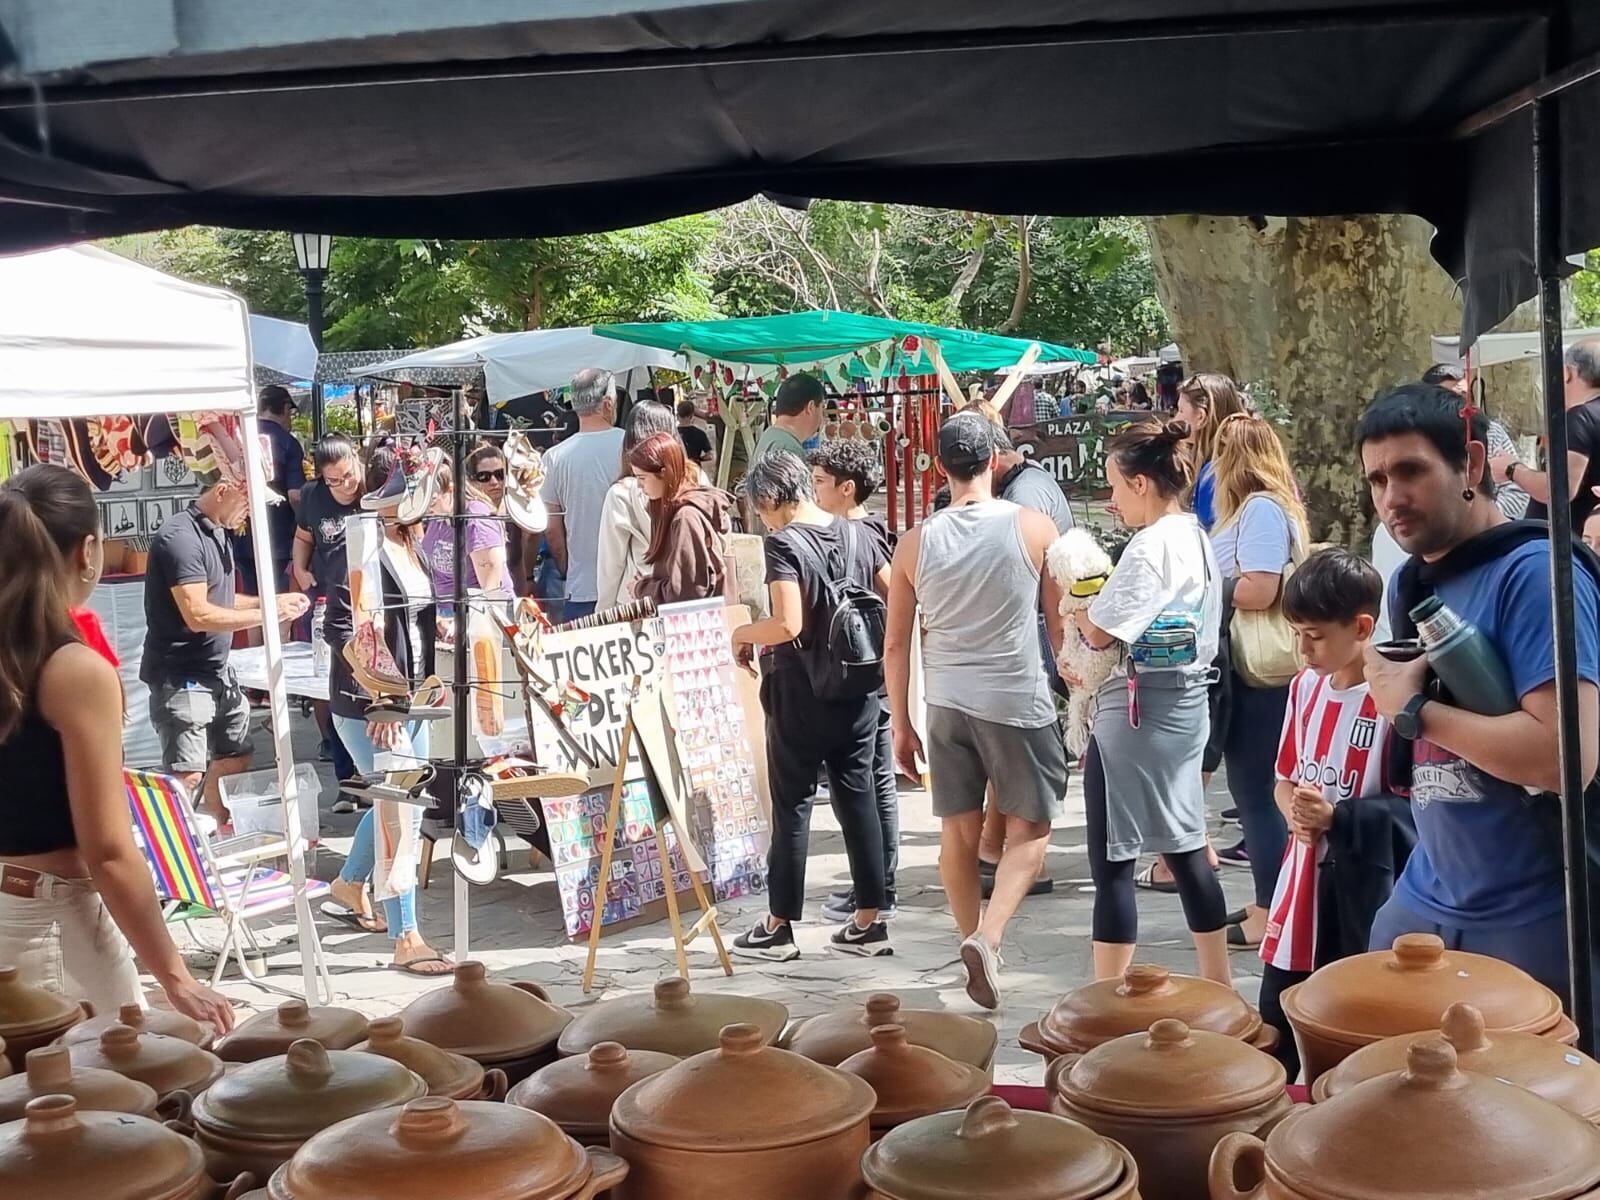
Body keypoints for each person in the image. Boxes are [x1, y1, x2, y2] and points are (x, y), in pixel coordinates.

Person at [1360, 384, 1600, 1025]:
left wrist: (1415, 712)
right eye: (1378, 479)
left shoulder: (1537, 574)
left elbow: (1563, 758)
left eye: (1411, 470)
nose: (1392, 497)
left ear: (1470, 464)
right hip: (1426, 899)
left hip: (1535, 917)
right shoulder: (1414, 581)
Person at [0, 464, 235, 1029]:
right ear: (88, 551)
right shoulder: (73, 671)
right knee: (111, 1103)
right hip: (50, 919)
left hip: (20, 909)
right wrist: (175, 975)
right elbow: (106, 849)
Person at [886, 412, 1068, 1009]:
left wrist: (902, 723)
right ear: (995, 460)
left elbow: (896, 642)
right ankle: (989, 939)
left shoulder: (915, 542)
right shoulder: (1035, 528)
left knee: (957, 833)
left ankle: (970, 936)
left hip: (946, 703)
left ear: (941, 467)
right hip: (1016, 697)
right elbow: (1058, 627)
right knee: (1031, 832)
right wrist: (1081, 686)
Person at [1063, 420, 1230, 986]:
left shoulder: (1151, 545)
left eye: (1113, 485)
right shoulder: (1194, 535)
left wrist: (1079, 611)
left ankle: (1107, 995)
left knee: (1113, 860)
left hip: (1137, 713)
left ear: (1139, 483)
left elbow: (1102, 631)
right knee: (1185, 844)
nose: (1110, 499)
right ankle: (1219, 982)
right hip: (1186, 703)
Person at [730, 451, 892, 960]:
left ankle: (778, 926)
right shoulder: (859, 532)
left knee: (793, 802)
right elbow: (894, 598)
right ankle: (870, 921)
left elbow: (787, 625)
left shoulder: (783, 544)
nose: (763, 519)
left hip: (800, 689)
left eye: (762, 508)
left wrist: (740, 632)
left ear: (774, 498)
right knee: (858, 795)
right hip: (861, 684)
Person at [1258, 548, 1411, 1078]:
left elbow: (1416, 809)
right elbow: (1283, 780)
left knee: (1343, 1033)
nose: (1303, 649)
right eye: (1296, 632)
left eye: (1315, 635)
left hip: (1357, 892)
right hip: (1297, 886)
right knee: (1274, 1023)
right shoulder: (1304, 688)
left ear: (1363, 626)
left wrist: (1338, 819)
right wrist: (1296, 815)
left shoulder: (1395, 697)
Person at [325, 449, 452, 974]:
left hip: (410, 699)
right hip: (371, 705)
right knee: (399, 808)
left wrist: (427, 664)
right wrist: (380, 695)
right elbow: (343, 630)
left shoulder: (409, 543)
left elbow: (408, 622)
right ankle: (406, 936)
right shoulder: (359, 548)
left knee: (403, 803)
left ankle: (349, 884)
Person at [142, 478, 309, 821]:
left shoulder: (218, 532)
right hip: (181, 673)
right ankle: (173, 845)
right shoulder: (181, 538)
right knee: (186, 772)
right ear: (221, 491)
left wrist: (271, 601)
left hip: (217, 671)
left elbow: (221, 598)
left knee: (235, 754)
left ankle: (218, 831)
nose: (249, 512)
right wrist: (266, 614)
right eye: (245, 502)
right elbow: (198, 613)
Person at [1207, 412, 1309, 950]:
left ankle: (1272, 907)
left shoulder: (1260, 511)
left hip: (1260, 671)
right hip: (1254, 669)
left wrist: (1209, 586)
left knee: (1258, 793)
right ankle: (1269, 898)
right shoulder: (1264, 508)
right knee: (1255, 793)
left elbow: (1260, 588)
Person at [809, 438, 898, 922]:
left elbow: (894, 592)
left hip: (858, 671)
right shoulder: (871, 532)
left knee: (867, 784)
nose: (814, 491)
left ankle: (877, 883)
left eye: (821, 482)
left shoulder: (848, 533)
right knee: (874, 781)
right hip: (873, 669)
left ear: (846, 488)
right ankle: (879, 881)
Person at [290, 434, 365, 799]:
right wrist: (301, 570)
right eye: (333, 480)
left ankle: (370, 775)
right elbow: (304, 536)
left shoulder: (375, 486)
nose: (343, 485)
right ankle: (346, 779)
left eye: (347, 475)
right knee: (333, 690)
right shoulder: (313, 496)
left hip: (373, 604)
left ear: (356, 459)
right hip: (331, 602)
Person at [1490, 337, 1600, 529]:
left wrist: (1511, 469)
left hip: (1571, 542)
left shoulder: (1580, 417)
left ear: (1567, 373)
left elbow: (1559, 489)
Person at [543, 368, 626, 620]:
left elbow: (551, 527)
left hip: (580, 587)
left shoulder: (554, 457)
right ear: (608, 403)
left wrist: (567, 565)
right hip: (627, 587)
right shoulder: (630, 446)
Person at [627, 433, 731, 605]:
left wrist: (642, 588)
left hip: (696, 625)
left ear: (663, 473)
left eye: (642, 478)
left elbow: (685, 591)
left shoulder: (685, 518)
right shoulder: (681, 511)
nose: (639, 485)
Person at [596, 401, 678, 610]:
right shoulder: (695, 481)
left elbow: (611, 567)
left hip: (638, 603)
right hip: (684, 600)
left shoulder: (622, 493)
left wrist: (602, 613)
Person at [1422, 363, 1530, 519]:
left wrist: (1480, 520)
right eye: (1444, 397)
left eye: (1462, 396)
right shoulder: (1416, 440)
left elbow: (1517, 492)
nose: (1455, 404)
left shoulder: (1490, 433)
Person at [233, 384, 306, 601]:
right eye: (290, 413)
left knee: (252, 600)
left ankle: (257, 638)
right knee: (278, 600)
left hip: (241, 531)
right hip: (278, 535)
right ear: (284, 409)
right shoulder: (288, 443)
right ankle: (279, 637)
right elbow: (295, 494)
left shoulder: (238, 435)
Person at [420, 462, 512, 605]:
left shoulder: (476, 520)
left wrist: (468, 622)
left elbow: (492, 584)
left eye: (431, 501)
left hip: (476, 617)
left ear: (451, 489)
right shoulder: (440, 513)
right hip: (447, 616)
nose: (426, 509)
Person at [1175, 372, 1249, 531]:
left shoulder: (1214, 473)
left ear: (1201, 417)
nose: (1175, 419)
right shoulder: (1242, 459)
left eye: (1180, 411)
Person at [754, 374, 825, 462]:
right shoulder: (789, 449)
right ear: (811, 407)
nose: (822, 416)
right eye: (822, 407)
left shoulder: (770, 436)